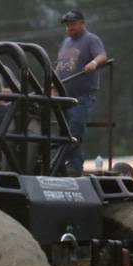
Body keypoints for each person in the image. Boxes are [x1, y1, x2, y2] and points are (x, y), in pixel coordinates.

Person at [55, 10, 108, 176]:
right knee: (64, 133)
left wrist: (93, 63)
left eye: (72, 24)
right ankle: (72, 169)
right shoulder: (66, 42)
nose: (69, 28)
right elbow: (61, 66)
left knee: (74, 131)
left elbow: (102, 56)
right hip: (64, 97)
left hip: (82, 97)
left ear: (81, 23)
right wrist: (53, 86)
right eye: (67, 25)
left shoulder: (91, 39)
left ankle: (66, 166)